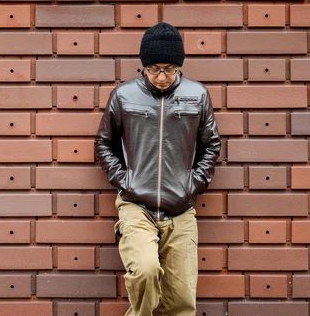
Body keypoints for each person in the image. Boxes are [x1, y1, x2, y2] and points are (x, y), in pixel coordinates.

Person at [94, 23, 221, 316]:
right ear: (143, 66)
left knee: (181, 300)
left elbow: (211, 146)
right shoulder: (124, 95)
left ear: (179, 66)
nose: (162, 77)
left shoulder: (197, 95)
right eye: (154, 69)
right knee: (146, 270)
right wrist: (127, 182)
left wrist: (193, 184)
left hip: (181, 209)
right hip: (136, 205)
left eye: (170, 69)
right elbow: (104, 144)